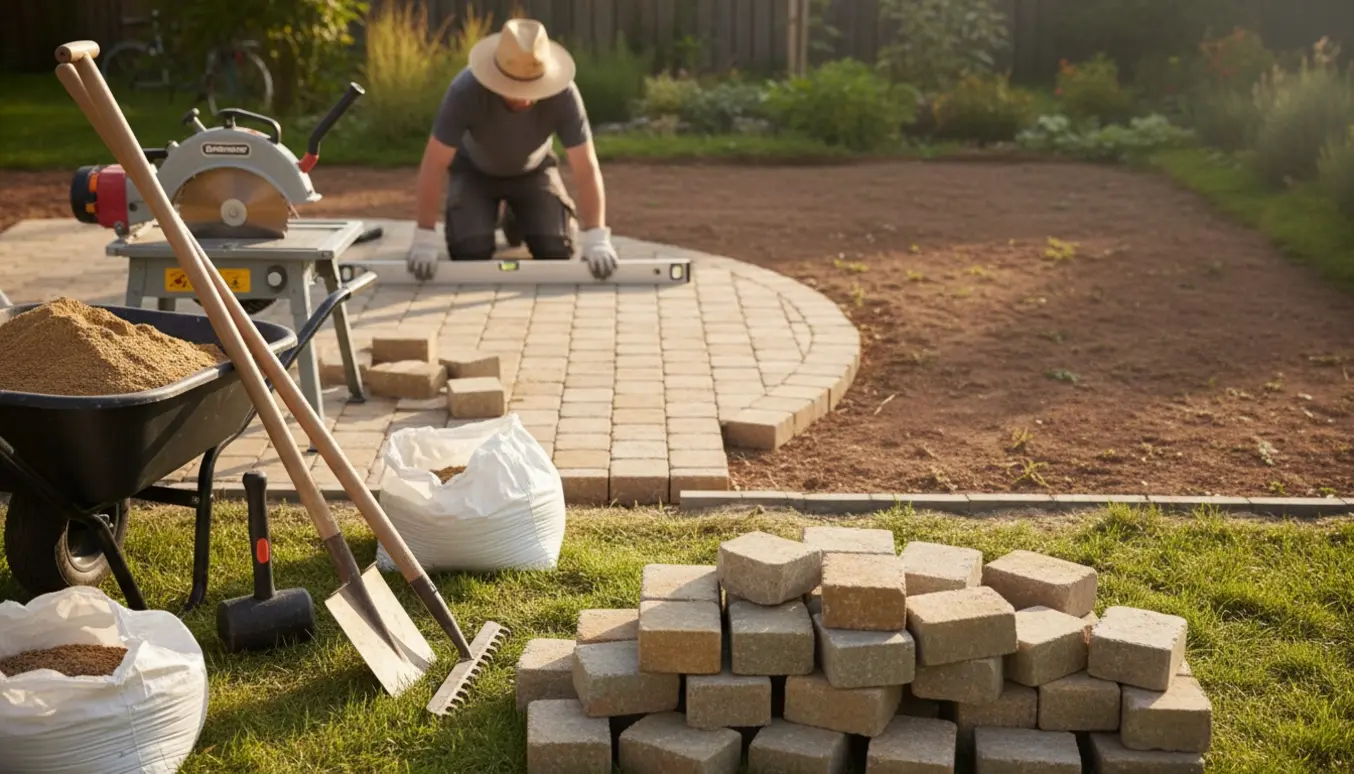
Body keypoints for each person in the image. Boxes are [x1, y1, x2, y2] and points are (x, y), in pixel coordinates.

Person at [405, 18, 619, 281]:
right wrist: (424, 237)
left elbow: (586, 167)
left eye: (531, 87)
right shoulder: (465, 91)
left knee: (556, 249)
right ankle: (485, 213)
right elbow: (434, 164)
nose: (524, 98)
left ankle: (518, 216)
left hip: (533, 172)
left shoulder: (564, 95)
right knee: (470, 252)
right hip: (474, 173)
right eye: (514, 88)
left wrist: (597, 236)